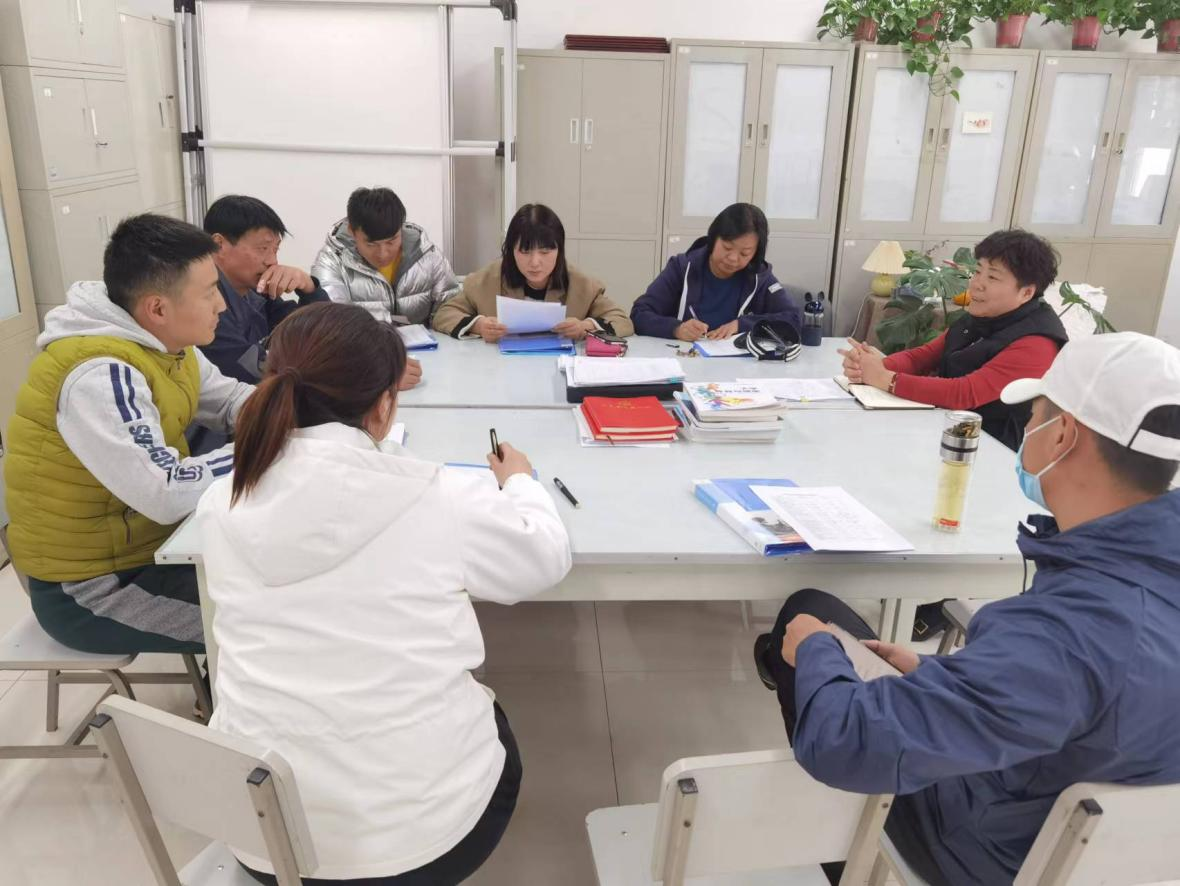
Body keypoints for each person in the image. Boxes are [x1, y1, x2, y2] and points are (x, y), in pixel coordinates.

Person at [755, 332, 1180, 886]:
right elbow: (1084, 700)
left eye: (1035, 414)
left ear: (1063, 435)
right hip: (1119, 850)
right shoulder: (1136, 582)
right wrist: (943, 674)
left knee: (809, 616)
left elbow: (847, 741)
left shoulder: (1067, 631)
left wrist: (814, 648)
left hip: (991, 853)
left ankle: (849, 858)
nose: (1029, 428)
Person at [196, 301, 573, 885]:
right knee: (488, 715)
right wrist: (520, 481)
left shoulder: (223, 500)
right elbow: (543, 558)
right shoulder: (436, 494)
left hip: (268, 841)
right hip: (422, 844)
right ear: (383, 405)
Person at [4, 214, 253, 654]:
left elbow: (230, 401)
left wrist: (298, 409)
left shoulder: (169, 346)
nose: (221, 305)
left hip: (153, 550)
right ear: (157, 309)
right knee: (261, 625)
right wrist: (261, 445)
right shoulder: (99, 375)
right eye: (210, 292)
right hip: (91, 589)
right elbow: (165, 491)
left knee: (270, 583)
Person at [841, 229, 1068, 452]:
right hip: (945, 430)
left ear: (1026, 293)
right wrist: (869, 366)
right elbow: (922, 357)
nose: (976, 283)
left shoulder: (1037, 343)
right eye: (977, 271)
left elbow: (964, 393)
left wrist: (886, 378)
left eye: (992, 277)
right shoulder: (986, 314)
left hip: (991, 450)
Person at [431, 203, 634, 341]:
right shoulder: (485, 281)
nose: (535, 263)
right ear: (511, 251)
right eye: (525, 251)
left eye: (545, 252)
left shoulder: (582, 285)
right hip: (500, 371)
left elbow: (622, 321)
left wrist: (584, 327)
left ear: (559, 251)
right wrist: (479, 325)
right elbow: (443, 315)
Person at [201, 194, 330, 384]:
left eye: (275, 250)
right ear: (219, 245)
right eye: (263, 248)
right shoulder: (204, 301)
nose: (273, 261)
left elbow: (322, 334)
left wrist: (308, 288)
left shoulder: (258, 289)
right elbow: (251, 370)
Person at [629, 203, 799, 341]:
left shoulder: (759, 277)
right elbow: (639, 314)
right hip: (682, 360)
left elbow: (794, 319)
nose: (733, 258)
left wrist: (741, 325)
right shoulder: (682, 268)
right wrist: (677, 329)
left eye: (744, 253)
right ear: (713, 238)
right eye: (727, 247)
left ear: (756, 253)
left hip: (738, 367)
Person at [312, 186, 460, 328]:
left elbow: (451, 307)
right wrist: (391, 322)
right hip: (363, 345)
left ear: (401, 227)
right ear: (352, 230)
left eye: (391, 241)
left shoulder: (428, 256)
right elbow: (335, 319)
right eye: (371, 244)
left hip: (428, 346)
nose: (383, 253)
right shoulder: (331, 261)